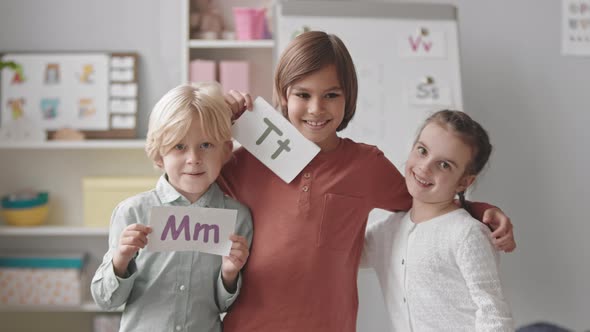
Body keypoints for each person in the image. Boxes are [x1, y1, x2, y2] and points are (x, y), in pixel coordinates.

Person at [219, 31, 515, 331]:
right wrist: (214, 126)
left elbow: (425, 199)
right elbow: (184, 188)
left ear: (348, 98)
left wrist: (478, 210)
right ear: (284, 95)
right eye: (302, 94)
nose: (316, 108)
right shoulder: (248, 160)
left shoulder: (365, 166)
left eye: (331, 95)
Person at [90, 82, 253, 332]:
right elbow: (106, 299)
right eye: (179, 147)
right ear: (158, 155)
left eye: (206, 145)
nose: (194, 158)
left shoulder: (238, 218)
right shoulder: (132, 213)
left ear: (225, 151)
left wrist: (229, 274)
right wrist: (120, 260)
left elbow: (223, 305)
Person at [362, 110, 514, 331]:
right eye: (422, 151)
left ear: (464, 182)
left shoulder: (466, 234)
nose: (425, 167)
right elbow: (340, 254)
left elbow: (494, 316)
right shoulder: (389, 230)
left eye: (444, 165)